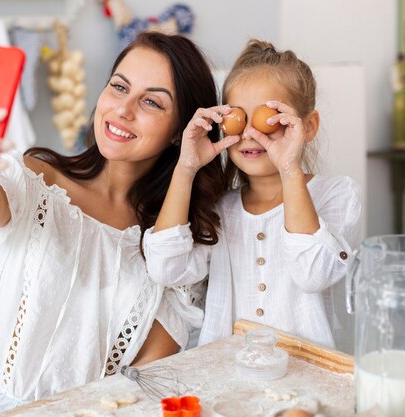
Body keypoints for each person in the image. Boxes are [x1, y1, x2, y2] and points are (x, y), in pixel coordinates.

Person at [0, 32, 228, 417]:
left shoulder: (172, 243)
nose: (123, 109)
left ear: (179, 132)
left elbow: (144, 376)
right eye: (119, 87)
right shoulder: (37, 181)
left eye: (151, 101)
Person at [143, 39, 362, 353]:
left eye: (267, 118)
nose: (248, 133)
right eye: (237, 117)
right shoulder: (222, 208)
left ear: (308, 126)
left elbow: (313, 273)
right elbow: (166, 268)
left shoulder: (338, 194)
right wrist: (186, 167)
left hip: (309, 378)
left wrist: (289, 168)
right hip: (229, 376)